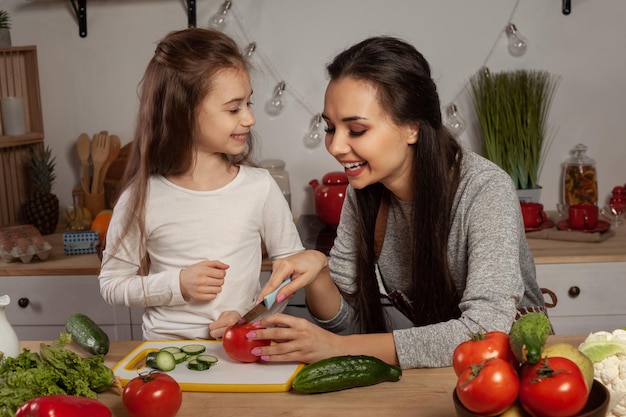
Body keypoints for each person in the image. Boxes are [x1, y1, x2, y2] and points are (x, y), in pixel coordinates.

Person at [247, 36, 547, 368]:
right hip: (441, 376)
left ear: (412, 128)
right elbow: (347, 323)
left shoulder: (485, 190)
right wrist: (318, 271)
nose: (335, 147)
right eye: (330, 128)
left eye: (356, 130)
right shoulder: (364, 189)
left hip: (513, 375)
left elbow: (486, 332)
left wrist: (336, 348)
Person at [98, 28, 304, 340]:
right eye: (234, 108)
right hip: (165, 355)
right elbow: (112, 284)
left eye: (249, 103)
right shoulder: (142, 198)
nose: (249, 118)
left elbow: (292, 276)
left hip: (240, 351)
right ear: (182, 112)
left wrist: (252, 316)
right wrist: (176, 284)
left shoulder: (260, 187)